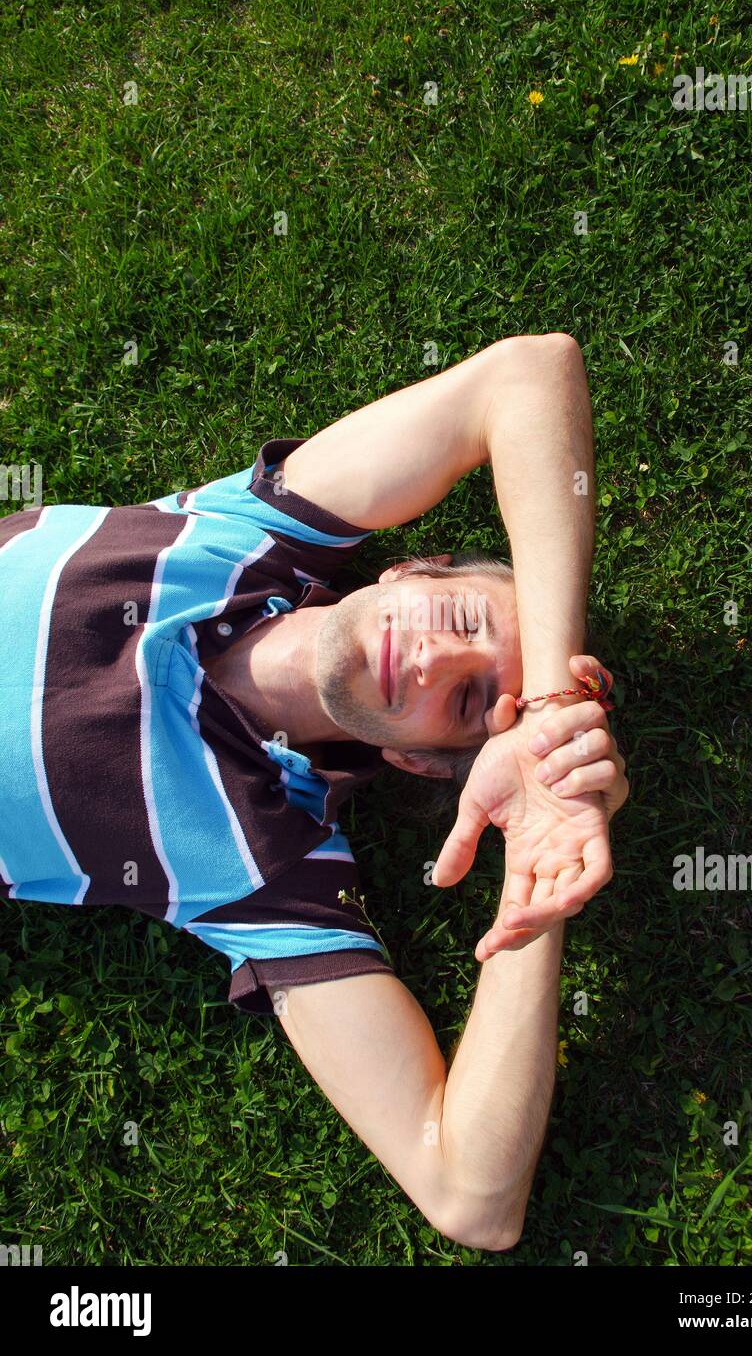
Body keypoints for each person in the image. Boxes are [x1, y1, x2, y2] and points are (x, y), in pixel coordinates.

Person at [0, 332, 628, 1251]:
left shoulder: (269, 866)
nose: (428, 657)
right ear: (409, 571)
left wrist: (545, 850)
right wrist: (543, 703)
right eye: (457, 620)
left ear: (418, 763)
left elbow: (470, 1195)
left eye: (464, 703)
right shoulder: (251, 536)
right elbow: (528, 374)